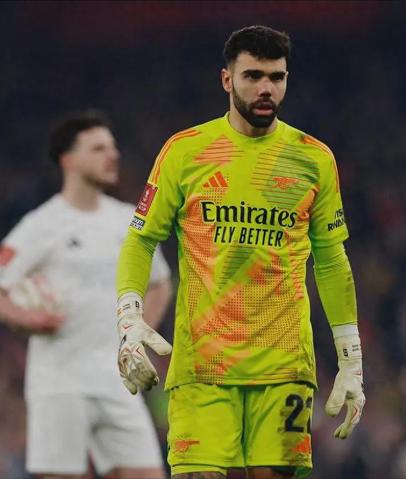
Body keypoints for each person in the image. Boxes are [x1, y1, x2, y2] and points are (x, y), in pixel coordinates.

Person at [116, 26, 366, 479]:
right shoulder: (185, 152)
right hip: (203, 366)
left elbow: (331, 260)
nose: (266, 88)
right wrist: (129, 319)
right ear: (227, 80)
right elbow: (140, 239)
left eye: (277, 77)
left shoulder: (313, 159)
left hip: (284, 366)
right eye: (253, 76)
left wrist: (351, 358)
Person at [0, 111, 172, 479]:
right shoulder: (42, 225)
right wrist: (25, 317)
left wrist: (135, 337)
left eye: (113, 147)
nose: (112, 155)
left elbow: (160, 283)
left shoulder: (128, 220)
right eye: (98, 148)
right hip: (60, 382)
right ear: (69, 160)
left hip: (117, 380)